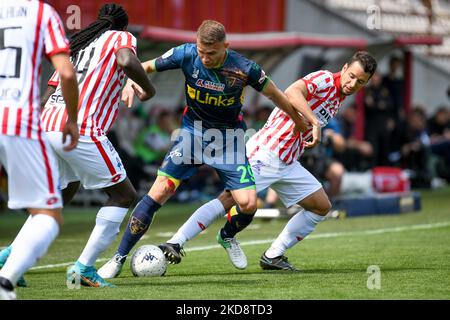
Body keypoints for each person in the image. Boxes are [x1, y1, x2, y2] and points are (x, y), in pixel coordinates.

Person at [98, 19, 316, 277]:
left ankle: (227, 236)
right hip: (192, 134)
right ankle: (118, 258)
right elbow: (145, 66)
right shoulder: (186, 53)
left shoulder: (245, 68)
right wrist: (131, 82)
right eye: (202, 51)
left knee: (248, 204)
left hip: (229, 140)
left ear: (226, 46)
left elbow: (276, 95)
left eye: (211, 53)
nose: (205, 58)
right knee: (160, 192)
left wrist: (298, 119)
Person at [157, 51, 377, 271]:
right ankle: (176, 242)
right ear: (346, 67)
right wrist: (313, 122)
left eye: (360, 82)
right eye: (352, 76)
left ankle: (273, 256)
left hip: (288, 161)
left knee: (321, 207)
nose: (353, 83)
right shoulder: (326, 79)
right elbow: (292, 92)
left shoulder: (340, 96)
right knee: (228, 200)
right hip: (267, 152)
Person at [0, 4, 155, 288]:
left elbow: (48, 94)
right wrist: (149, 89)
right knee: (123, 195)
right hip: (80, 128)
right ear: (122, 25)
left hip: (47, 126)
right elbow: (126, 61)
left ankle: (10, 258)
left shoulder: (80, 43)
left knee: (60, 195)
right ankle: (83, 268)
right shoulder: (121, 37)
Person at [0, 0, 79, 299]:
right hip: (18, 122)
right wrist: (71, 120)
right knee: (47, 214)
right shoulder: (41, 13)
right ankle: (5, 281)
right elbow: (67, 75)